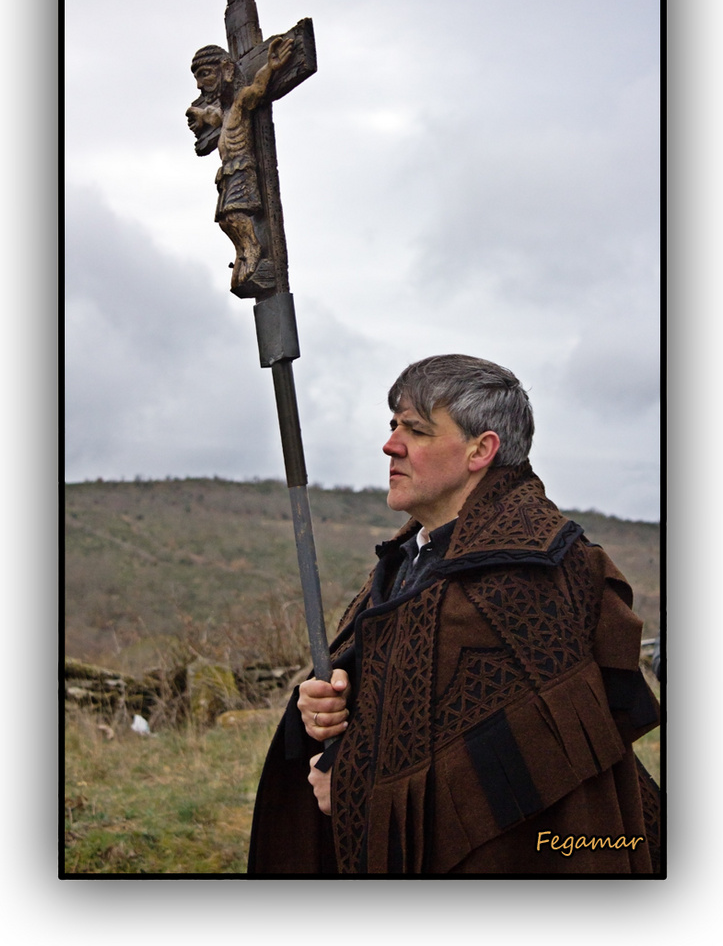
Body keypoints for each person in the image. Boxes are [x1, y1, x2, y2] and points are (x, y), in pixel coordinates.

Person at [248, 355, 661, 875]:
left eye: (416, 430)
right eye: (393, 424)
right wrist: (325, 704)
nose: (390, 444)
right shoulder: (408, 559)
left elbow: (539, 759)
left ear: (480, 450)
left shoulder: (532, 574)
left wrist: (358, 790)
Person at [186, 36, 292, 293]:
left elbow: (257, 89)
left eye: (205, 75)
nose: (201, 85)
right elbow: (211, 116)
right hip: (228, 171)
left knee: (235, 215)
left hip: (242, 167)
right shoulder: (226, 110)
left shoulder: (242, 100)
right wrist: (198, 115)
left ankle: (253, 250)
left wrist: (271, 66)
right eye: (198, 79)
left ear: (227, 69)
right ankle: (244, 253)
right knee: (226, 221)